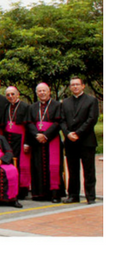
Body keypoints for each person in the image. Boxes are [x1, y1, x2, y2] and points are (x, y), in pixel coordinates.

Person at [60, 76, 99, 204]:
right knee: (72, 170)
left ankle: (90, 196)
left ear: (83, 86)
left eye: (77, 84)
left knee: (89, 171)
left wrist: (78, 133)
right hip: (70, 142)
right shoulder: (65, 102)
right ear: (70, 87)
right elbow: (62, 120)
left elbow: (92, 119)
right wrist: (67, 133)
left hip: (86, 140)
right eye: (73, 85)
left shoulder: (91, 100)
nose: (75, 87)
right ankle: (73, 195)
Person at [28, 83, 66, 202]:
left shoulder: (57, 105)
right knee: (37, 166)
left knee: (53, 166)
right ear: (37, 93)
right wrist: (37, 135)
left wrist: (46, 135)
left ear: (49, 92)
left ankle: (55, 194)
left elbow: (58, 122)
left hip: (52, 138)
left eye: (44, 90)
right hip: (37, 141)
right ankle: (39, 194)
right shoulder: (33, 107)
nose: (42, 93)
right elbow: (29, 123)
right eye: (39, 91)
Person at [1, 86, 32, 199]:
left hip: (21, 138)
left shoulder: (25, 106)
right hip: (8, 138)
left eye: (12, 94)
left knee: (21, 164)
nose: (10, 96)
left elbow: (28, 126)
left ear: (18, 94)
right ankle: (11, 187)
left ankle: (22, 190)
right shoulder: (6, 106)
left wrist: (27, 142)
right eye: (8, 95)